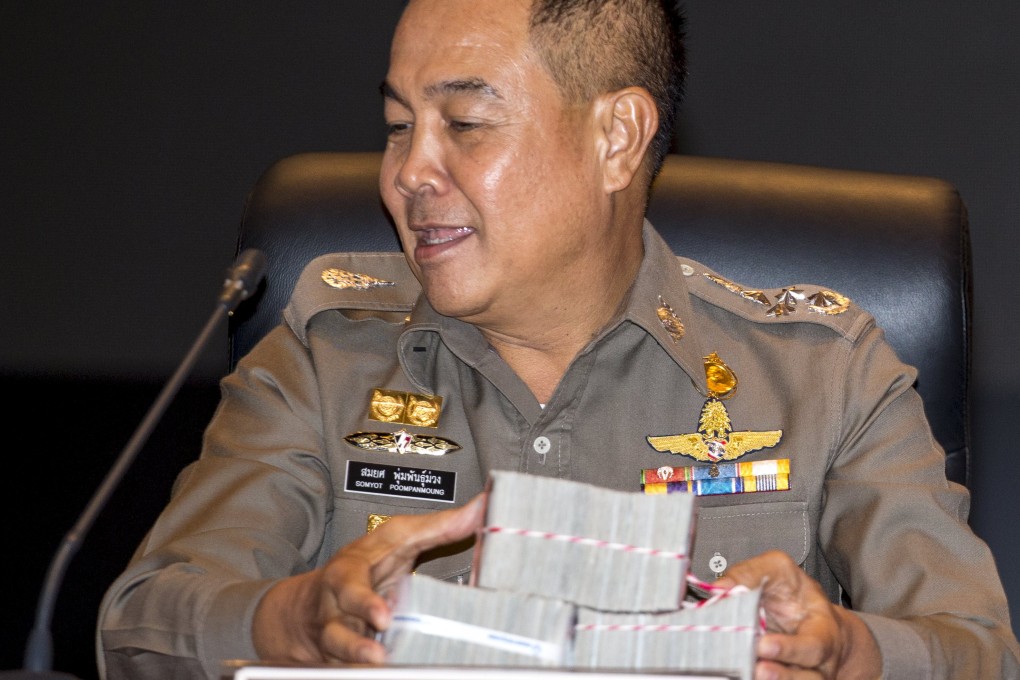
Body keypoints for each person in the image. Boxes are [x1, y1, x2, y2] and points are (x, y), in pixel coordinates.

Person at [97, 0, 1020, 678]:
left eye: (463, 124)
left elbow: (976, 650)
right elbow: (138, 625)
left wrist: (847, 652)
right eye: (395, 127)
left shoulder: (825, 375)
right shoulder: (323, 358)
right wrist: (291, 622)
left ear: (617, 137)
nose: (410, 171)